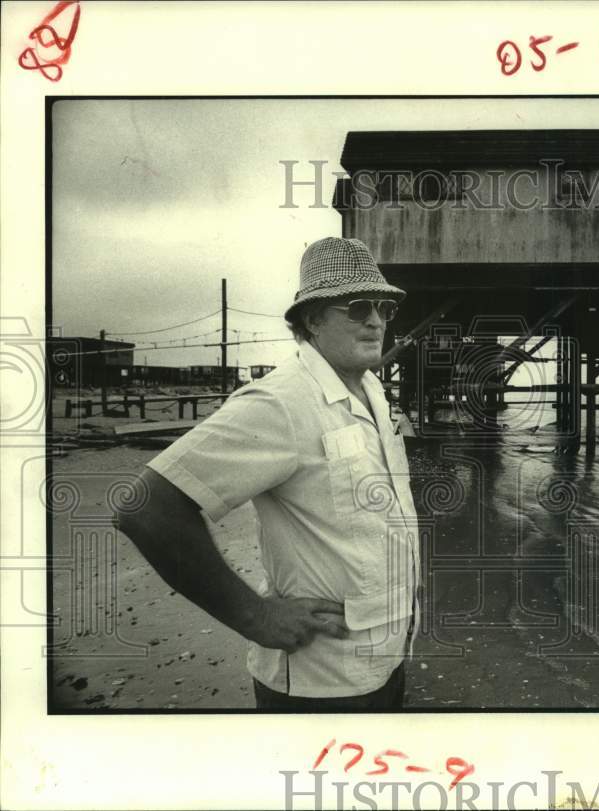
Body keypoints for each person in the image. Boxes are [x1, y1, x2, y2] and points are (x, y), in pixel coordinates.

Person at [115, 237, 420, 711]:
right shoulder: (281, 403)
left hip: (388, 658)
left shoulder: (373, 391)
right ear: (312, 319)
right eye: (358, 306)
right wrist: (254, 616)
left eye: (384, 307)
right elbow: (146, 507)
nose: (376, 320)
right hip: (322, 682)